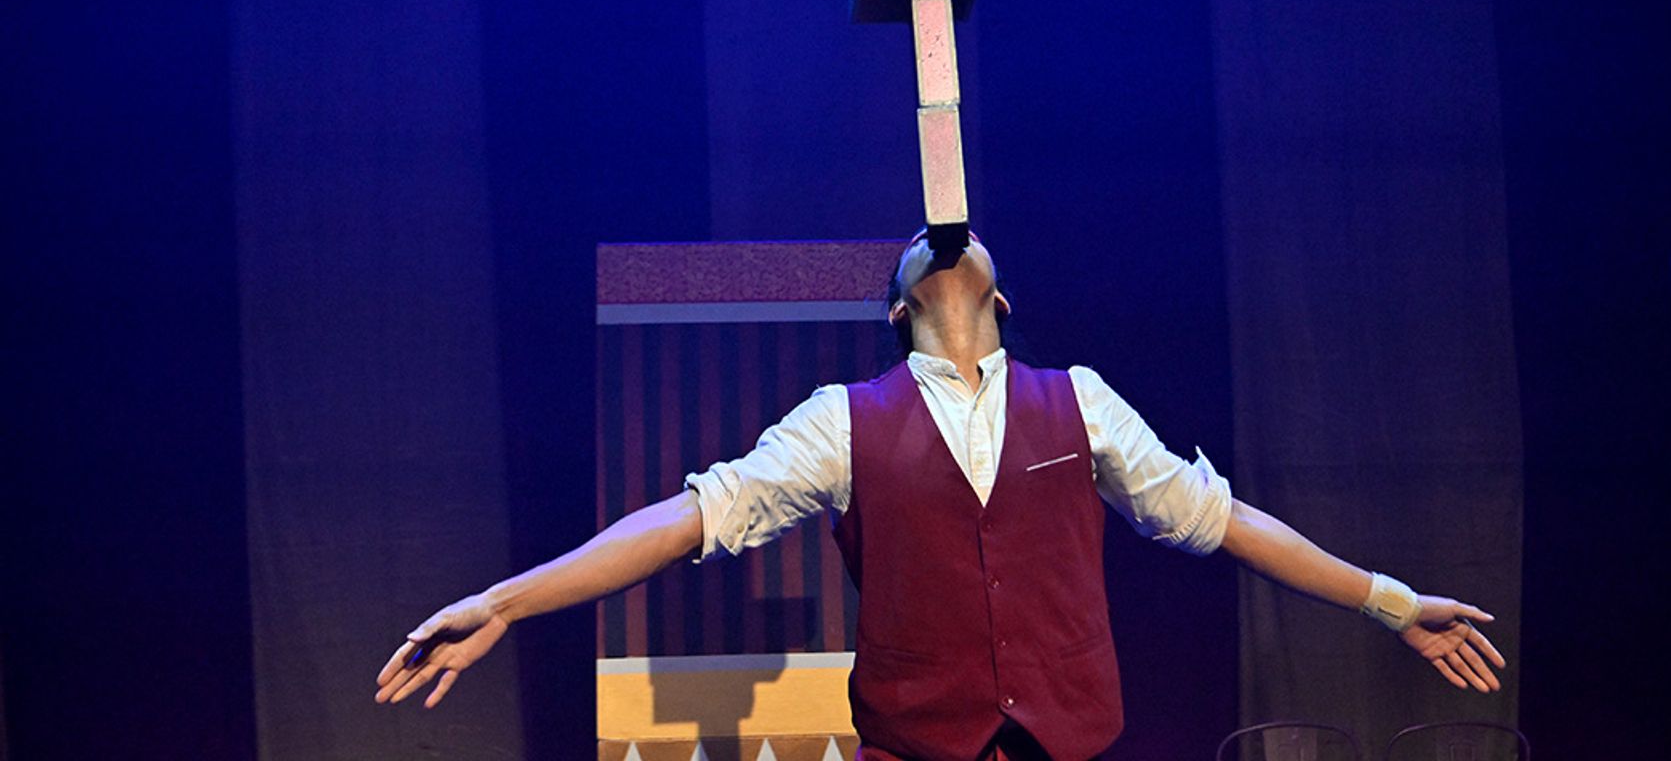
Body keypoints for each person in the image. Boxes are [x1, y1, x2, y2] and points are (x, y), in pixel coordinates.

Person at [376, 230, 1505, 760]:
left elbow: (1226, 520)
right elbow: (682, 520)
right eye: (921, 248)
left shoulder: (1083, 401)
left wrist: (1397, 603)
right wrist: (508, 601)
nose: (945, 243)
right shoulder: (842, 417)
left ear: (1003, 297)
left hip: (1064, 745)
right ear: (896, 306)